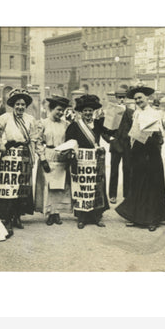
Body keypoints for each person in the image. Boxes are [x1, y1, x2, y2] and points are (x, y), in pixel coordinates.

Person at [115, 84, 165, 232]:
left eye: (140, 98)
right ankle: (136, 216)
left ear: (147, 98)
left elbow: (162, 134)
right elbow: (133, 133)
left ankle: (152, 219)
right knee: (137, 184)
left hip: (151, 153)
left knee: (152, 185)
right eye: (136, 98)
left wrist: (154, 135)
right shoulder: (136, 114)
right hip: (138, 152)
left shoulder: (156, 113)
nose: (138, 100)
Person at [0, 88, 38, 238]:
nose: (20, 107)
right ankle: (7, 217)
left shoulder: (30, 119)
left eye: (23, 104)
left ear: (26, 106)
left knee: (22, 188)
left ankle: (18, 216)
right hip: (9, 156)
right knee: (8, 187)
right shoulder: (5, 117)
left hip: (24, 155)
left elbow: (33, 138)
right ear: (13, 105)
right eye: (17, 104)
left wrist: (33, 156)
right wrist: (0, 144)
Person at [65, 94, 110, 229]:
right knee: (81, 188)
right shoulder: (74, 126)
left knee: (96, 188)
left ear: (94, 111)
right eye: (85, 111)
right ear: (81, 112)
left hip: (95, 162)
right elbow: (69, 142)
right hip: (81, 162)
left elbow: (108, 135)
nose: (88, 113)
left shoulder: (98, 124)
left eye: (90, 110)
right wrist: (73, 154)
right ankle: (81, 217)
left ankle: (97, 216)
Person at [35, 95, 74, 225]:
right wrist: (42, 158)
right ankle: (49, 213)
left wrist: (68, 152)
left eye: (62, 110)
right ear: (51, 109)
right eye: (58, 110)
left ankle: (56, 213)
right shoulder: (43, 123)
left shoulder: (66, 124)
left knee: (60, 186)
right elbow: (38, 142)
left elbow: (70, 140)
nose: (60, 113)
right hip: (49, 155)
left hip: (61, 156)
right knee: (49, 185)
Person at [108, 85, 134, 204]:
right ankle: (112, 194)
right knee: (114, 170)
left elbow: (135, 128)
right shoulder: (112, 111)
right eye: (119, 98)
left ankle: (127, 194)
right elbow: (105, 130)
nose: (122, 100)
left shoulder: (131, 112)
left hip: (128, 145)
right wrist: (110, 139)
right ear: (116, 98)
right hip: (115, 145)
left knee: (127, 169)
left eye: (124, 98)